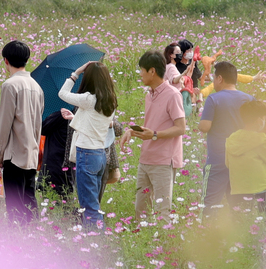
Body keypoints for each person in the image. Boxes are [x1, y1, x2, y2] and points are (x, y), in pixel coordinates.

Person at [59, 61, 118, 229]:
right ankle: (95, 239)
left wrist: (75, 73)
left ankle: (94, 242)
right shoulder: (110, 100)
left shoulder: (89, 99)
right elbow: (93, 120)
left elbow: (62, 94)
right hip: (100, 154)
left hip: (86, 154)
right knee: (94, 205)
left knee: (88, 207)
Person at [0, 40, 44, 226]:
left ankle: (18, 246)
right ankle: (36, 240)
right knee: (30, 204)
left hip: (14, 155)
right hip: (30, 154)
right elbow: (38, 124)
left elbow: (4, 125)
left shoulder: (10, 85)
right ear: (27, 60)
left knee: (14, 208)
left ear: (6, 61)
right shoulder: (37, 87)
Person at [130, 50, 188, 217]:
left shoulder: (173, 95)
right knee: (141, 211)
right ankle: (143, 242)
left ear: (152, 71)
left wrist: (154, 135)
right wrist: (132, 131)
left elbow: (181, 128)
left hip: (163, 161)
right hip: (145, 159)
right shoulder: (150, 95)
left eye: (142, 70)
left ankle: (163, 242)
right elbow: (153, 124)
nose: (140, 74)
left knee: (163, 211)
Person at [198, 61, 254, 210]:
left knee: (209, 203)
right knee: (240, 206)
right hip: (242, 160)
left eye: (214, 78)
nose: (214, 81)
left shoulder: (213, 99)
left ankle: (206, 231)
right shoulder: (249, 99)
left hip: (218, 159)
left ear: (220, 79)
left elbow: (204, 127)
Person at [226, 100, 266, 212]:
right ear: (259, 120)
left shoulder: (232, 139)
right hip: (258, 189)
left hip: (236, 189)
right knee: (265, 219)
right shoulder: (261, 141)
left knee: (240, 222)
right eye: (264, 118)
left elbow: (228, 163)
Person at [39, 108, 76, 204]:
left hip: (54, 162)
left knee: (53, 197)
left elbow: (42, 128)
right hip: (69, 162)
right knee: (66, 195)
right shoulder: (78, 113)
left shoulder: (62, 114)